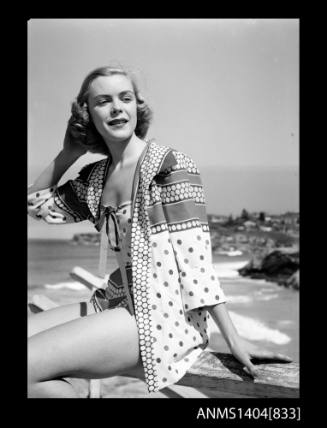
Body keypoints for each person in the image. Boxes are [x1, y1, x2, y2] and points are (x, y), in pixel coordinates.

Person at [27, 65, 291, 398]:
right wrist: (69, 153)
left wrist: (234, 338)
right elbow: (37, 204)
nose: (117, 108)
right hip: (110, 304)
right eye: (103, 101)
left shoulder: (169, 166)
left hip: (160, 318)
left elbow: (195, 263)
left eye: (125, 98)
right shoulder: (96, 177)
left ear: (138, 106)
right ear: (86, 114)